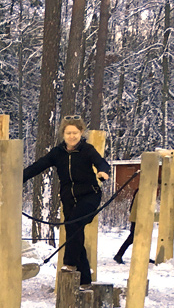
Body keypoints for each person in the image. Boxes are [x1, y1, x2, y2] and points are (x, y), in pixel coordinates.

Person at [22, 116, 111, 286]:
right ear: (63, 134)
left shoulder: (87, 150)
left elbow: (101, 162)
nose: (72, 136)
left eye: (75, 133)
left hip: (89, 196)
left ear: (81, 133)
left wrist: (103, 172)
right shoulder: (57, 153)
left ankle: (69, 264)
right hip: (68, 198)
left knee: (73, 226)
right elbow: (38, 166)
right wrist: (19, 177)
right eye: (68, 133)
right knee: (74, 233)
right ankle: (85, 280)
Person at [113, 187, 138, 264]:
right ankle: (119, 255)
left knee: (135, 238)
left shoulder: (139, 190)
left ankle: (119, 255)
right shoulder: (143, 191)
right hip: (137, 219)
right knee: (132, 238)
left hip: (136, 218)